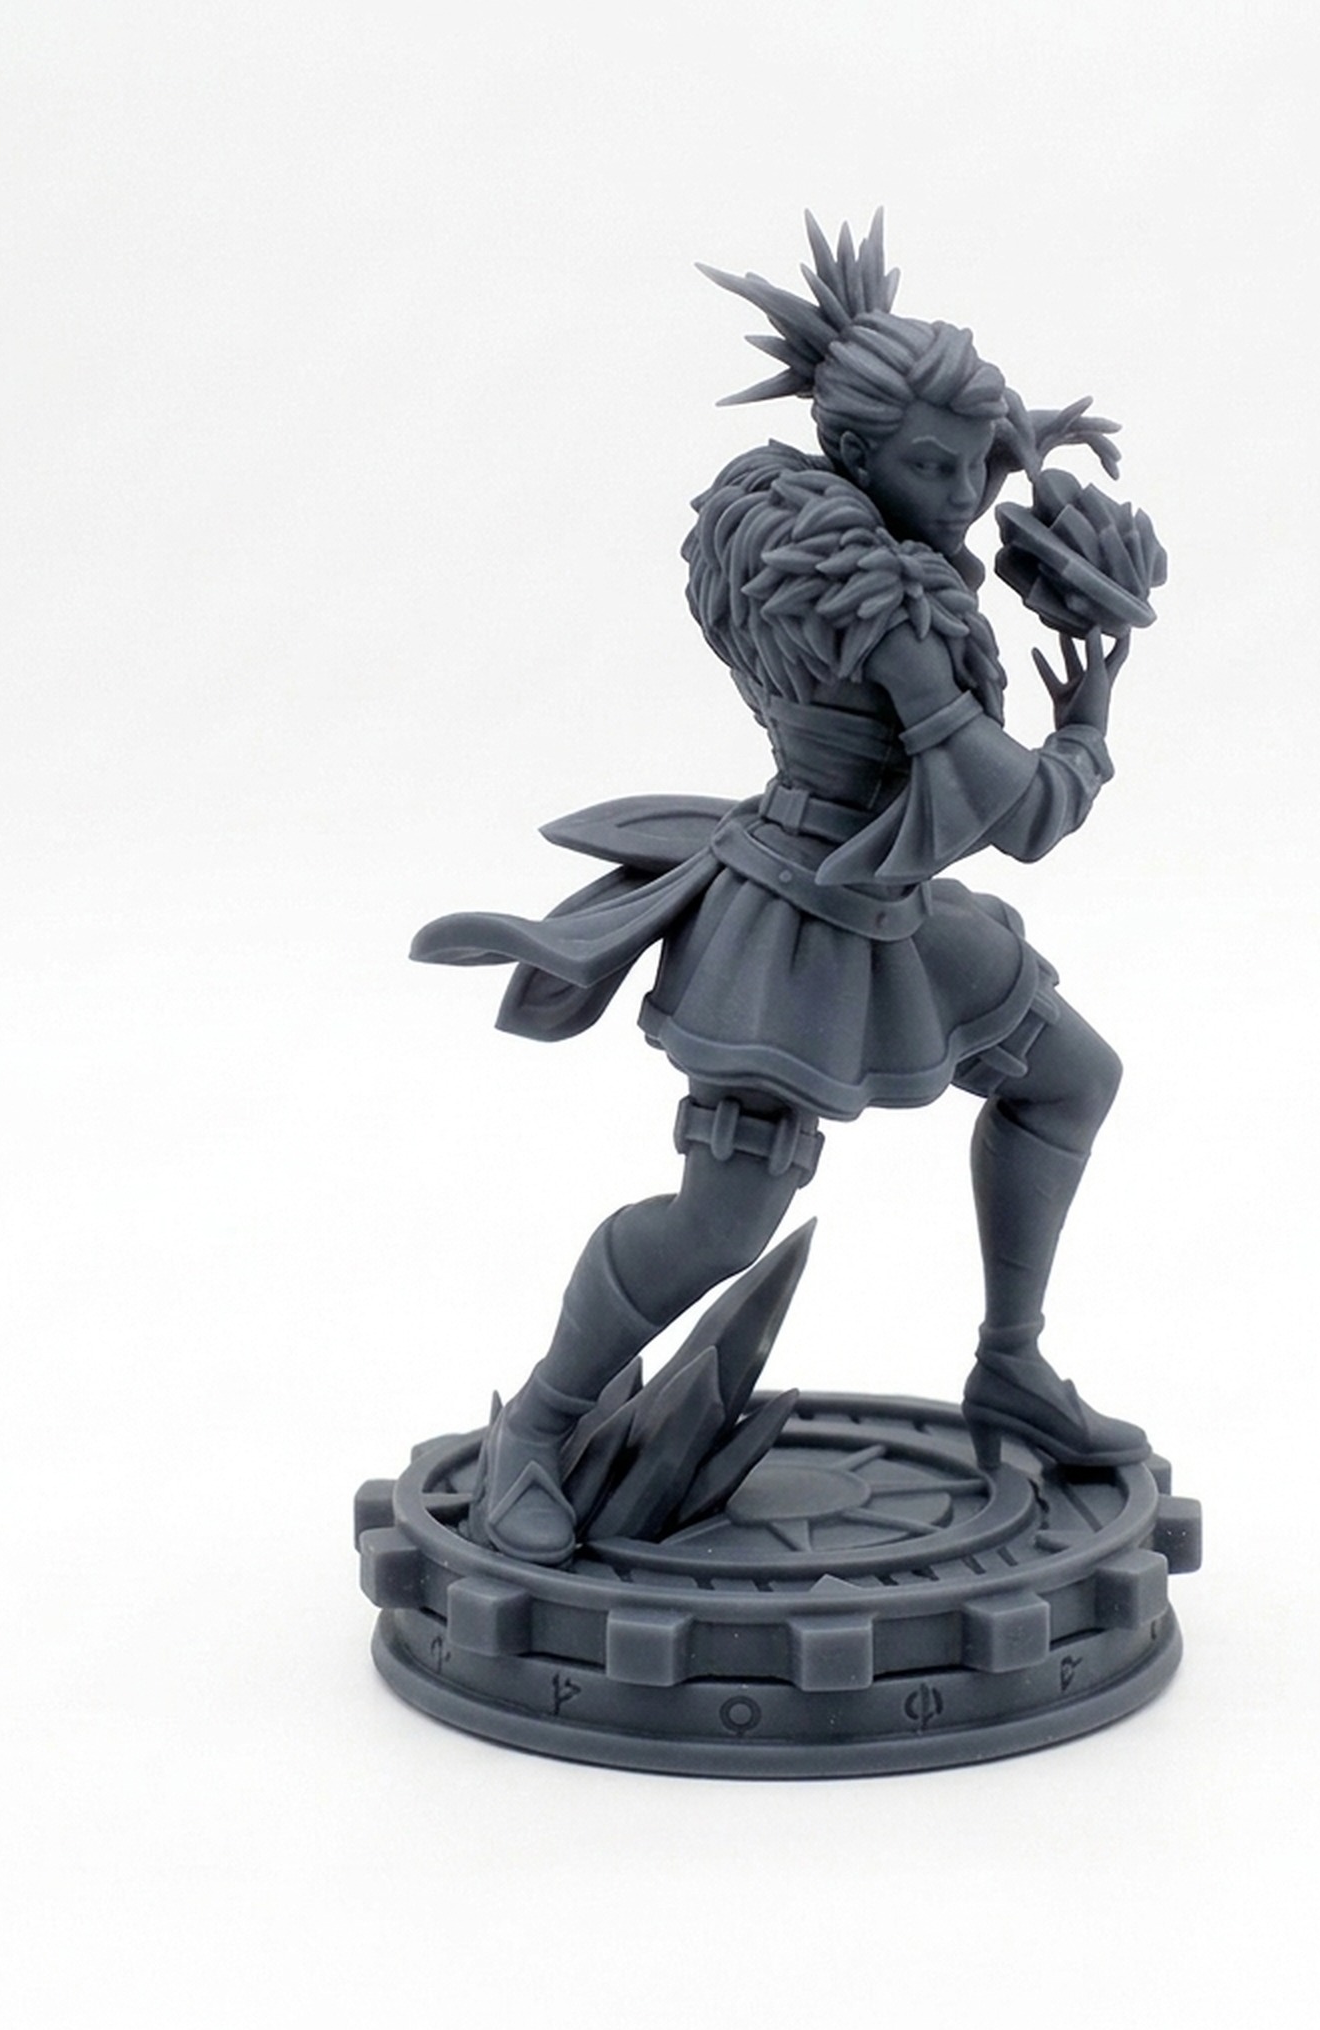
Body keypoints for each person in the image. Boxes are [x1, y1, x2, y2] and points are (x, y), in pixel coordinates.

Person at [413, 215, 1165, 1564]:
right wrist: (1091, 723)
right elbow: (1020, 818)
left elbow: (949, 459)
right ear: (856, 460)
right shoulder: (880, 610)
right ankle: (538, 1424)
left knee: (1070, 1078)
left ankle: (1012, 1364)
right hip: (798, 931)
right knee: (720, 1224)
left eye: (975, 461)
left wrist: (1025, 441)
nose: (965, 493)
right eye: (932, 466)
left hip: (893, 905)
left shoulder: (831, 522)